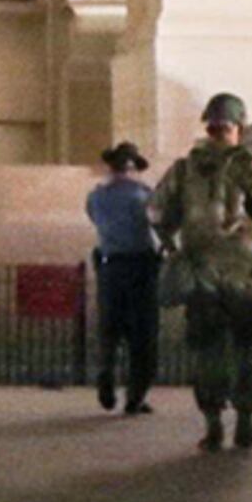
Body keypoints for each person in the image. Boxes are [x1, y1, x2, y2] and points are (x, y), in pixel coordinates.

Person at [154, 92, 252, 454]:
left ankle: (213, 425)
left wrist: (173, 246)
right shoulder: (250, 166)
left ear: (209, 127)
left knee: (209, 349)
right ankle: (246, 422)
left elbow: (156, 214)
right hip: (245, 274)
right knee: (248, 347)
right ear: (238, 127)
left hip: (202, 274)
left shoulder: (183, 170)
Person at [87, 141, 163, 415]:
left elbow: (95, 221)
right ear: (134, 167)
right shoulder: (144, 195)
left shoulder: (96, 196)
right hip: (141, 267)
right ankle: (135, 396)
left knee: (110, 330)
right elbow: (159, 224)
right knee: (142, 336)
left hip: (110, 267)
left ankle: (105, 374)